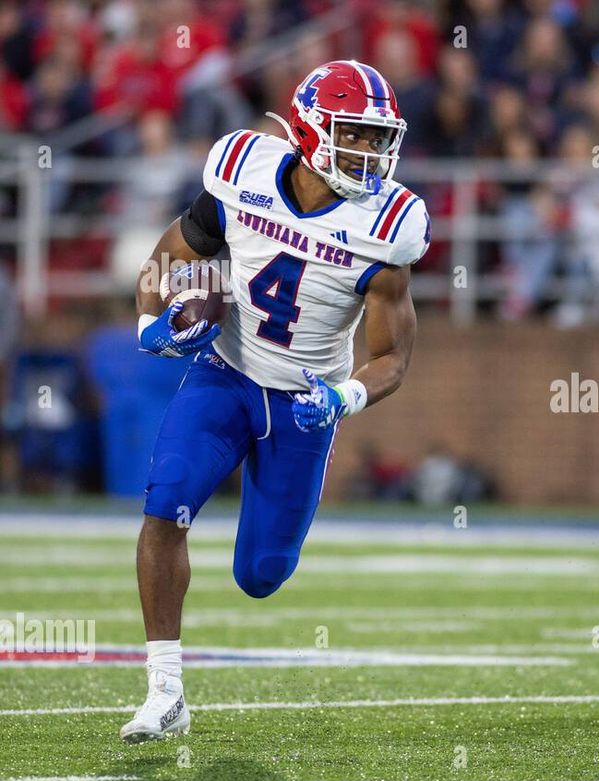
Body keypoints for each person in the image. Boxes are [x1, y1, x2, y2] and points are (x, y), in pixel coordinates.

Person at [122, 60, 428, 742]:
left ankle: (262, 551)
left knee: (261, 574)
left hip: (302, 404)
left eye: (380, 138)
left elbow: (394, 358)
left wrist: (344, 396)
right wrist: (150, 323)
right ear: (313, 130)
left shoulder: (389, 225)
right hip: (224, 375)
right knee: (165, 503)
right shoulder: (243, 171)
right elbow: (171, 254)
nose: (372, 152)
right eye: (357, 134)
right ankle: (165, 691)